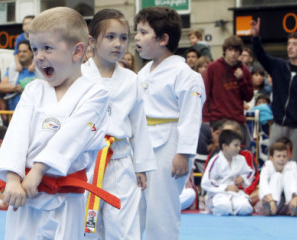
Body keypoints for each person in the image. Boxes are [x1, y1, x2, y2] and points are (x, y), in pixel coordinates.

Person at [0, 7, 109, 240]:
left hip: (65, 196)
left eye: (47, 48)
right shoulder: (34, 90)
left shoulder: (95, 93)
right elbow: (17, 133)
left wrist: (39, 169)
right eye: (35, 49)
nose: (39, 56)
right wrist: (13, 178)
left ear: (77, 51)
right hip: (24, 192)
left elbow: (74, 135)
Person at [81, 9, 155, 239]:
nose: (118, 44)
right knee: (83, 226)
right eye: (110, 37)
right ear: (92, 41)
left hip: (121, 160)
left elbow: (139, 125)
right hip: (85, 160)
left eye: (124, 38)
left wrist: (140, 165)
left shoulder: (132, 80)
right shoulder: (78, 76)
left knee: (123, 227)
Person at [135, 7, 205, 240]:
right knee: (135, 208)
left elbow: (191, 115)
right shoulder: (144, 72)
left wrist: (184, 153)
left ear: (163, 39)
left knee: (161, 212)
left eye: (143, 32)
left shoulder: (186, 75)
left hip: (169, 146)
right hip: (143, 145)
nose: (136, 37)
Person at [251, 18, 297, 162]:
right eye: (289, 44)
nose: (290, 47)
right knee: (272, 163)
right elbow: (262, 56)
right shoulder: (279, 66)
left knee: (294, 165)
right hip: (278, 124)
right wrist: (255, 37)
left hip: (296, 127)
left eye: (295, 44)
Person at [202, 35, 253, 146]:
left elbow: (249, 97)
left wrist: (241, 80)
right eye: (230, 50)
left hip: (237, 120)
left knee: (243, 153)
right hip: (217, 119)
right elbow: (206, 94)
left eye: (236, 50)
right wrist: (206, 120)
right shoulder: (213, 67)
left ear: (240, 53)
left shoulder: (245, 70)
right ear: (225, 51)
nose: (233, 53)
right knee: (218, 154)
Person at [202, 130, 254, 216]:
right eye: (236, 145)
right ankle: (211, 202)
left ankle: (232, 206)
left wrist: (243, 178)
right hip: (218, 193)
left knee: (245, 208)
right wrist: (225, 187)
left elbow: (249, 173)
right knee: (223, 208)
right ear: (224, 146)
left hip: (235, 192)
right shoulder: (215, 160)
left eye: (239, 145)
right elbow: (206, 182)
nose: (239, 148)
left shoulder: (241, 159)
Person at [259, 142, 297, 216]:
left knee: (289, 175)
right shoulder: (267, 165)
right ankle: (271, 207)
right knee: (277, 176)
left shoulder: (292, 165)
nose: (282, 159)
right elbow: (263, 183)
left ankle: (293, 207)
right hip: (271, 199)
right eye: (278, 156)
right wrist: (271, 200)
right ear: (271, 158)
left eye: (284, 156)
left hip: (289, 199)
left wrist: (295, 197)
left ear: (288, 157)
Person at [0, 40, 36, 111]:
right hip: (14, 113)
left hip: (34, 113)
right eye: (19, 51)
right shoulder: (13, 69)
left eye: (24, 51)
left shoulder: (39, 69)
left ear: (32, 53)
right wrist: (17, 87)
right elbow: (1, 87)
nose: (21, 54)